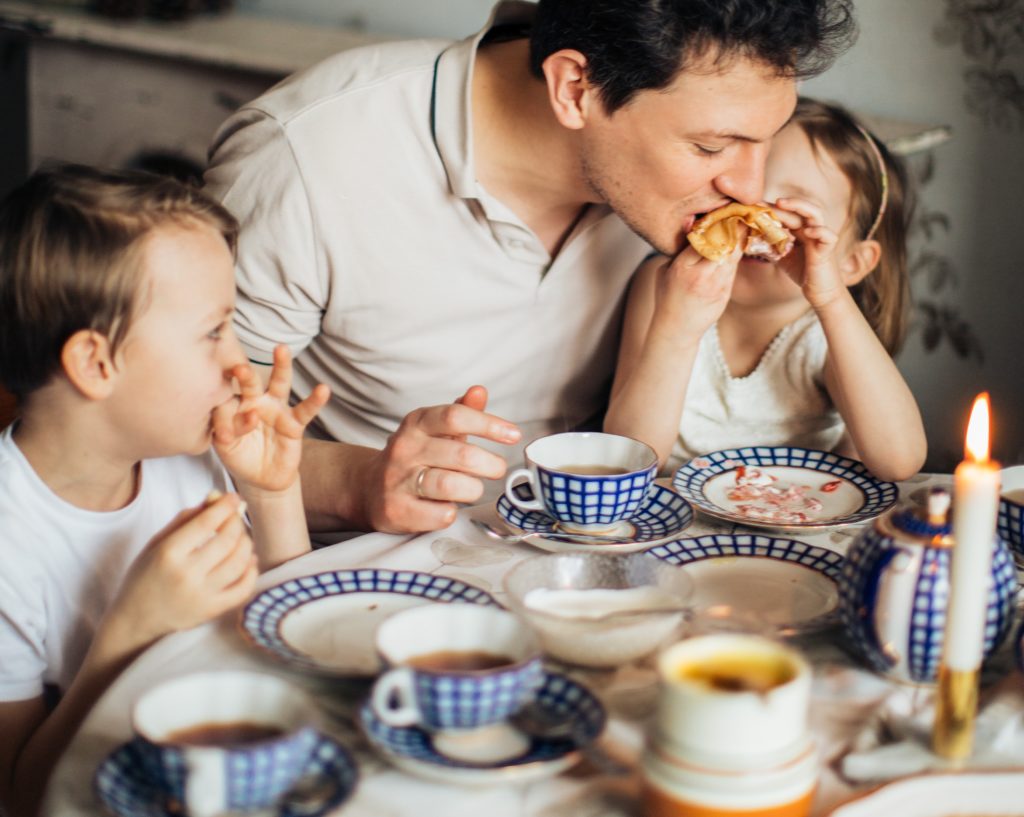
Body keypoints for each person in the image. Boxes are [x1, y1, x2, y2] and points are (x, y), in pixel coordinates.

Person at [204, 0, 858, 535]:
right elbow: (188, 438)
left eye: (765, 140)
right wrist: (359, 481)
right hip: (374, 573)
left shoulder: (679, 197)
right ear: (576, 87)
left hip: (599, 550)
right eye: (712, 145)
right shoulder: (306, 160)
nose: (750, 185)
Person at [0, 164, 329, 817]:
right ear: (97, 364)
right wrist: (133, 628)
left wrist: (272, 493)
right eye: (214, 332)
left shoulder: (183, 459)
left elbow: (292, 652)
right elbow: (23, 794)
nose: (244, 364)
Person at [604, 98, 927, 481]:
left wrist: (831, 298)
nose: (756, 221)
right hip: (680, 521)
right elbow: (627, 460)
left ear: (851, 263)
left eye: (792, 211)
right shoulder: (667, 285)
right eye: (745, 199)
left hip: (797, 520)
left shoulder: (826, 333)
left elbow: (900, 461)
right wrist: (676, 329)